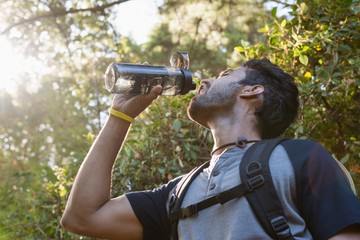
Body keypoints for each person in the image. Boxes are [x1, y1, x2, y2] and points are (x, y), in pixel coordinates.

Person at [61, 59, 360, 240]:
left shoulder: (302, 158)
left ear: (252, 91)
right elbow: (82, 217)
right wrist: (120, 116)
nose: (205, 80)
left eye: (225, 74)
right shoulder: (178, 194)